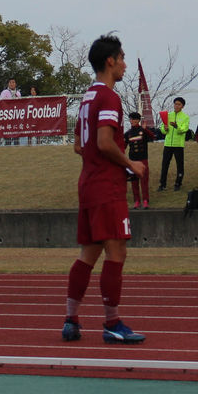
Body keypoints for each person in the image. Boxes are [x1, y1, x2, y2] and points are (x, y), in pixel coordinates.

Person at [62, 35, 147, 345]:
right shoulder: (109, 97)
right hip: (106, 187)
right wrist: (130, 164)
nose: (125, 64)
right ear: (110, 61)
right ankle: (112, 323)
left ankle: (71, 320)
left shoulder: (87, 98)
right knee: (117, 252)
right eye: (122, 58)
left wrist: (96, 161)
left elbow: (78, 145)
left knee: (88, 253)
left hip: (88, 183)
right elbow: (104, 142)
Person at [158, 97, 189, 192]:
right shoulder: (168, 115)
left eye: (179, 104)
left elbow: (184, 129)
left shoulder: (185, 117)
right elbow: (163, 129)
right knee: (165, 165)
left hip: (178, 144)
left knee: (179, 165)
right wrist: (165, 129)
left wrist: (176, 126)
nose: (176, 106)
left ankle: (178, 183)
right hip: (168, 144)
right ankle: (162, 184)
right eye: (175, 104)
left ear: (182, 106)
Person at [124, 113, 153, 209]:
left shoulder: (143, 130)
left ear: (138, 120)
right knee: (134, 181)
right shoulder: (128, 133)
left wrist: (145, 129)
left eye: (133, 119)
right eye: (130, 119)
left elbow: (153, 137)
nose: (131, 121)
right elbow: (123, 146)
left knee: (144, 181)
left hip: (143, 159)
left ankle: (145, 200)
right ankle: (136, 201)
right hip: (132, 161)